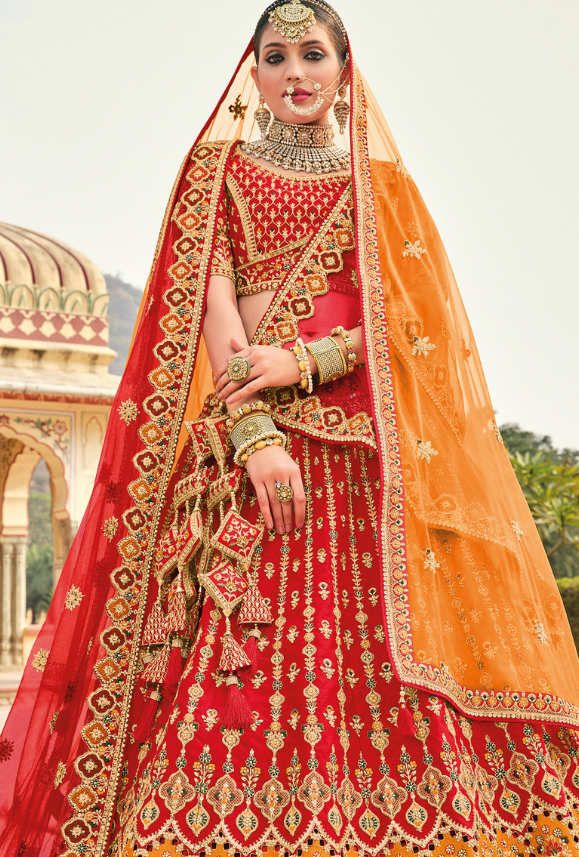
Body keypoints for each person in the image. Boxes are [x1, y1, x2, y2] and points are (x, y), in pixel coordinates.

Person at [1, 2, 579, 855]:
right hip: (245, 455)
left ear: (346, 68)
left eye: (314, 54)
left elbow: (414, 328)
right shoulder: (219, 174)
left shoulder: (380, 189)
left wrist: (303, 363)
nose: (295, 73)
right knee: (234, 664)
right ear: (254, 73)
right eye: (276, 57)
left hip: (361, 466)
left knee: (381, 672)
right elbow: (218, 317)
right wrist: (256, 437)